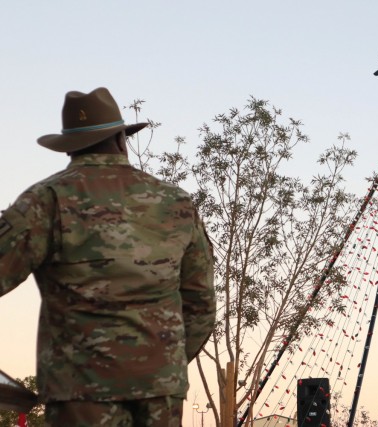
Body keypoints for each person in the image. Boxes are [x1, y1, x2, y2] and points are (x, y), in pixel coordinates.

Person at [0, 87, 216, 426]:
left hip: (80, 391)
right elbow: (201, 303)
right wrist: (162, 365)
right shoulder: (176, 202)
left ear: (69, 147)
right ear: (121, 139)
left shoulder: (46, 201)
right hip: (160, 389)